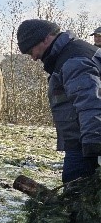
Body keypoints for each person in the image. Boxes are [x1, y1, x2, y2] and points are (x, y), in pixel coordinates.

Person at [17, 18, 101, 183]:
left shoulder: (73, 60)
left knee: (75, 191)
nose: (33, 58)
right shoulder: (70, 54)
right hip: (82, 140)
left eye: (31, 50)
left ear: (45, 38)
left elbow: (90, 103)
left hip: (87, 144)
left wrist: (94, 144)